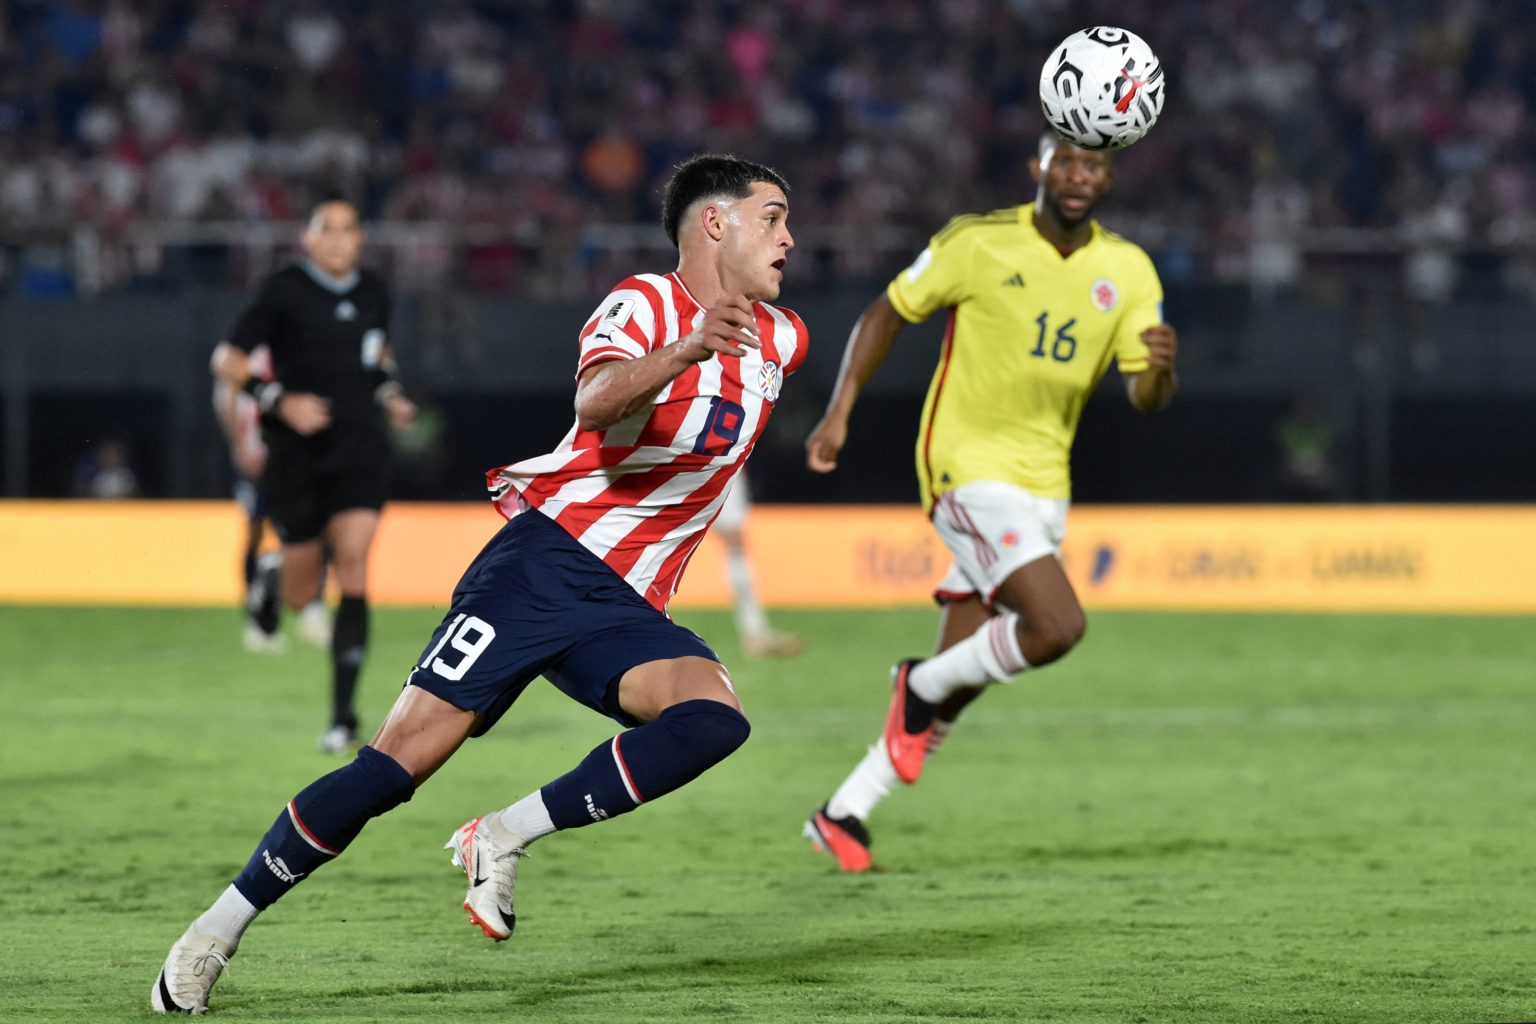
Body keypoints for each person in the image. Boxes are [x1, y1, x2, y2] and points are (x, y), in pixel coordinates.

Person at [151, 154, 804, 1015]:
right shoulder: (645, 302)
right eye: (773, 216)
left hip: (629, 607)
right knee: (393, 769)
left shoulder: (784, 339)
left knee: (714, 720)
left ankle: (503, 833)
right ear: (715, 223)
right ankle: (211, 935)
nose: (789, 237)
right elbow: (598, 401)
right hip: (542, 568)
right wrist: (687, 346)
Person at [801, 133, 1178, 872]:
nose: (1078, 176)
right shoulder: (976, 243)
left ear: (1108, 176)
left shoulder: (1128, 270)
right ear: (1039, 168)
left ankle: (844, 808)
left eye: (1093, 165)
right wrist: (840, 408)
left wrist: (1162, 370)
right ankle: (916, 684)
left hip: (1046, 486)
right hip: (964, 467)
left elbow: (1146, 396)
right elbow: (887, 312)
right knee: (1057, 625)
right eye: (1065, 161)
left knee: (965, 673)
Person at [209, 197, 416, 752]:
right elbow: (226, 360)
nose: (339, 239)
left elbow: (378, 361)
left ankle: (343, 717)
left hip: (360, 448)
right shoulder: (283, 289)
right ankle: (278, 574)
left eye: (349, 229)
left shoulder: (374, 290)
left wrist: (392, 396)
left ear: (360, 239)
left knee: (353, 566)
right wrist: (277, 399)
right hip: (296, 453)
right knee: (305, 592)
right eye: (328, 229)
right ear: (307, 238)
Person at [210, 344, 333, 654]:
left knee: (308, 531)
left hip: (291, 457)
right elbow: (226, 396)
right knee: (254, 531)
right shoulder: (244, 351)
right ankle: (257, 618)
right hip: (255, 458)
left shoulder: (296, 344)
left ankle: (311, 608)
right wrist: (239, 447)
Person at [715, 473, 804, 658]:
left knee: (735, 542)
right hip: (687, 462)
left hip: (721, 463)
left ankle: (755, 633)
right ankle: (755, 634)